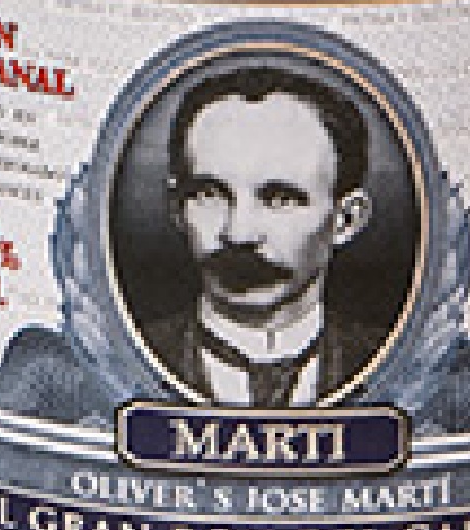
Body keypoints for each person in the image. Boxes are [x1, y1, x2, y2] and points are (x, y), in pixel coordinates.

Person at [134, 64, 396, 406]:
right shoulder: (129, 352)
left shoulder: (391, 359)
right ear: (176, 208)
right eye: (210, 194)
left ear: (346, 220)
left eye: (280, 199)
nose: (238, 234)